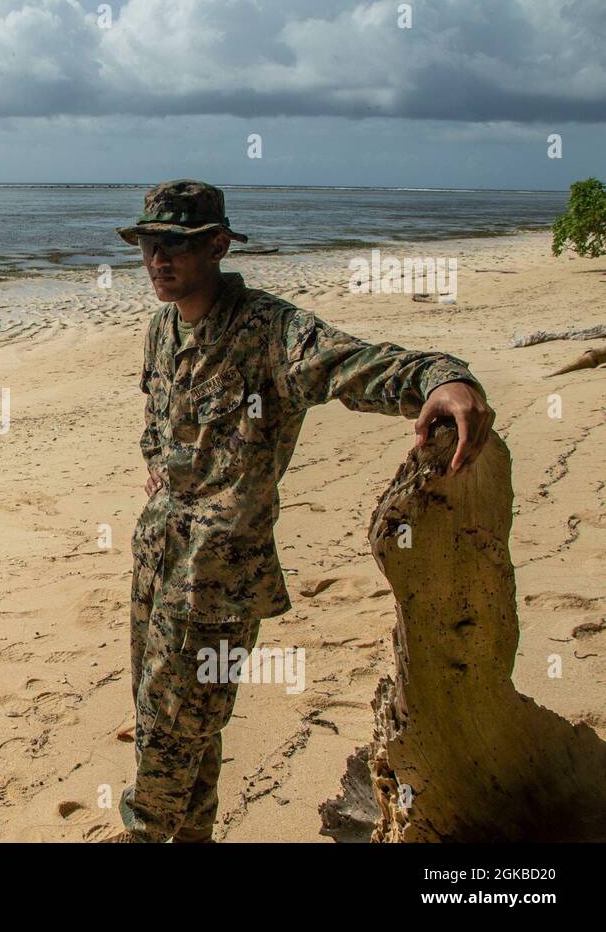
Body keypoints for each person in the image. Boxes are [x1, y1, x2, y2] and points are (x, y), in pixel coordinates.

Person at [113, 180, 494, 842]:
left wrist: (443, 377)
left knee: (168, 750)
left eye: (174, 247)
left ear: (219, 246)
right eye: (149, 246)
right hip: (157, 556)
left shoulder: (271, 332)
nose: (157, 262)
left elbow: (357, 366)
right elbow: (159, 422)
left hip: (219, 581)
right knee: (172, 728)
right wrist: (162, 470)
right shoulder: (163, 327)